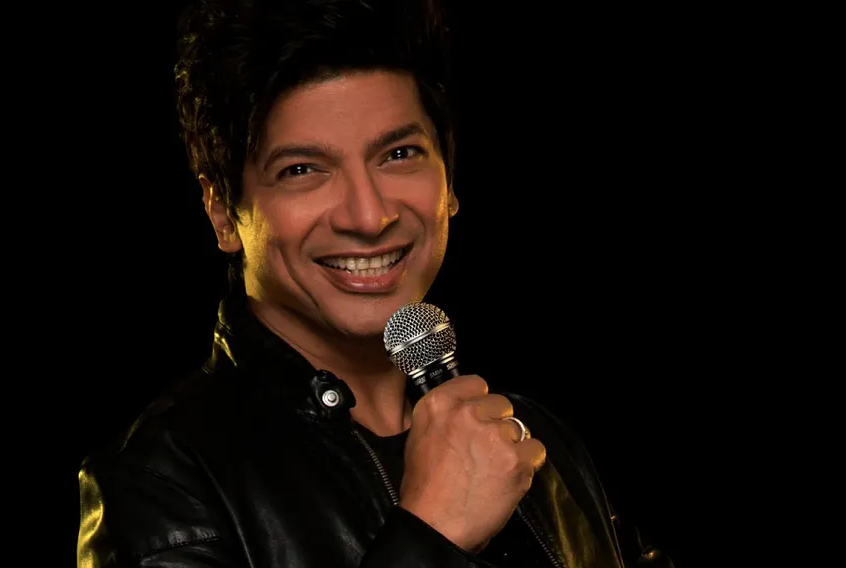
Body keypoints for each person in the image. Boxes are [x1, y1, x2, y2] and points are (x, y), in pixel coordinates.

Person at [77, 0, 673, 566]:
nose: (369, 217)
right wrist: (432, 533)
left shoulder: (538, 443)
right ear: (221, 212)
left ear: (450, 178)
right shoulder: (157, 484)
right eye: (302, 170)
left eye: (399, 155)